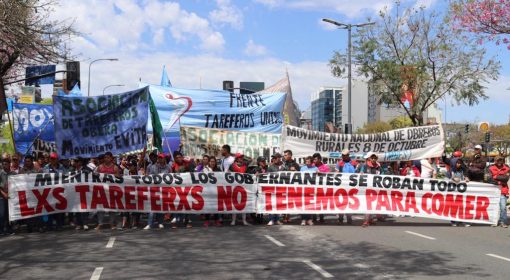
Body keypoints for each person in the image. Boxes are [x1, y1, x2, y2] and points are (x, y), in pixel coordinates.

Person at [95, 152, 121, 230]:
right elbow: (96, 177)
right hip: (102, 190)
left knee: (112, 208)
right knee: (100, 208)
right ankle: (100, 224)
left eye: (108, 157)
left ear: (111, 158)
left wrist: (113, 176)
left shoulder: (115, 167)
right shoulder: (100, 167)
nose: (106, 159)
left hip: (111, 190)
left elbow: (118, 178)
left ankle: (112, 224)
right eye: (105, 157)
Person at [358, 153, 382, 227]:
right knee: (367, 204)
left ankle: (370, 219)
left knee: (373, 204)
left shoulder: (378, 166)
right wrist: (361, 173)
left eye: (375, 158)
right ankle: (366, 221)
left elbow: (382, 175)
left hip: (375, 188)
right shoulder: (365, 166)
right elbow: (360, 173)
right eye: (372, 158)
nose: (374, 159)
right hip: (366, 188)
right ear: (370, 158)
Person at [336, 149, 358, 225]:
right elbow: (336, 173)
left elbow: (357, 173)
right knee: (341, 201)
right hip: (342, 185)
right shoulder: (339, 163)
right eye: (342, 155)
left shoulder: (354, 163)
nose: (343, 156)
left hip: (352, 186)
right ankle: (340, 218)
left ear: (348, 155)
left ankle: (349, 217)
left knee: (350, 201)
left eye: (345, 155)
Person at [488, 156, 510, 228]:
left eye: (501, 160)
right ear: (495, 161)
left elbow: (506, 178)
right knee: (493, 206)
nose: (499, 162)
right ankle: (493, 221)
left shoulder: (507, 168)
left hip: (503, 190)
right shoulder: (490, 168)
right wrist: (499, 180)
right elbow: (489, 178)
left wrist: (495, 177)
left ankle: (503, 221)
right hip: (493, 190)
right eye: (498, 160)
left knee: (503, 207)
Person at [229, 153, 250, 226]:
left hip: (244, 187)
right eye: (240, 157)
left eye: (242, 157)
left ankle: (244, 220)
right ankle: (233, 220)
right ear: (237, 158)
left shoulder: (245, 166)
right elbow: (228, 175)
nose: (242, 158)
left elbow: (249, 175)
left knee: (244, 204)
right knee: (234, 203)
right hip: (234, 187)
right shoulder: (232, 166)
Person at [267, 153, 286, 226]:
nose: (274, 159)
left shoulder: (283, 167)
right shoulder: (270, 167)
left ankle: (277, 219)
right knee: (272, 203)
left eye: (275, 158)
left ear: (279, 158)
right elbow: (267, 177)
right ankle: (271, 219)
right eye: (273, 158)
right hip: (272, 188)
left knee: (278, 204)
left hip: (280, 188)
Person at [450, 158, 471, 227]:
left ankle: (461, 221)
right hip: (453, 192)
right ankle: (453, 221)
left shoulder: (462, 170)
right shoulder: (451, 170)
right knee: (454, 207)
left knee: (462, 206)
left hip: (460, 191)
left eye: (460, 163)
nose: (459, 164)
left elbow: (464, 177)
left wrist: (466, 178)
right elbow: (446, 179)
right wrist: (453, 179)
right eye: (457, 163)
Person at [203, 156, 222, 227]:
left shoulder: (218, 169)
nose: (212, 163)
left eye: (214, 161)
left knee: (215, 206)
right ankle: (207, 220)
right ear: (209, 162)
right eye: (211, 161)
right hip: (208, 190)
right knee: (208, 205)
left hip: (216, 190)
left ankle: (216, 220)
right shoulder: (205, 169)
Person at [300, 156, 317, 226]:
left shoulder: (315, 168)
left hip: (311, 189)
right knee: (303, 204)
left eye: (308, 161)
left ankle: (309, 219)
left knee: (310, 204)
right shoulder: (302, 168)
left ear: (311, 162)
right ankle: (303, 219)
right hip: (304, 189)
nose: (307, 163)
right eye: (306, 161)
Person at [0, 158, 15, 235]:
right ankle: (1, 229)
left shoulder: (14, 173)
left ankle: (10, 228)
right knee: (2, 214)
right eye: (3, 164)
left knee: (10, 214)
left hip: (11, 197)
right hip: (2, 197)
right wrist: (4, 193)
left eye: (6, 164)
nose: (4, 165)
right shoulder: (0, 173)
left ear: (9, 164)